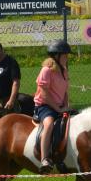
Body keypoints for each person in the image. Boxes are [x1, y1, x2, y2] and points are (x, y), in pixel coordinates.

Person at [34, 40, 71, 173]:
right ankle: (44, 159)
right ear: (56, 55)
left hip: (59, 106)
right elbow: (44, 95)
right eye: (65, 55)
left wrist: (66, 107)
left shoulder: (64, 70)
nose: (67, 57)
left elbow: (65, 92)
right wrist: (58, 109)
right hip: (45, 106)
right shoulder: (46, 70)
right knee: (49, 124)